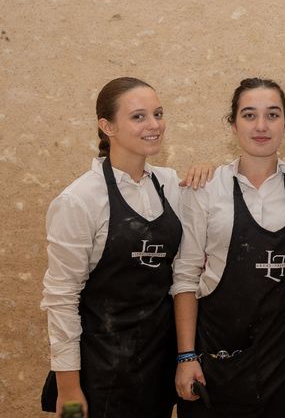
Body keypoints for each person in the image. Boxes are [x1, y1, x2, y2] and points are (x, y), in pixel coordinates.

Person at [41, 77, 211, 418]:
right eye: (138, 117)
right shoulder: (79, 200)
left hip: (157, 363)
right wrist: (69, 390)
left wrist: (208, 175)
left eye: (158, 114)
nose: (154, 125)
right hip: (100, 370)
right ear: (107, 126)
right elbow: (61, 299)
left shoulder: (170, 184)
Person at [172, 78, 285, 418]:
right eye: (249, 115)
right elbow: (185, 278)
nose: (261, 126)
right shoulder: (205, 189)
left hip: (282, 360)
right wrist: (186, 357)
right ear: (232, 124)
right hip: (216, 359)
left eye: (273, 115)